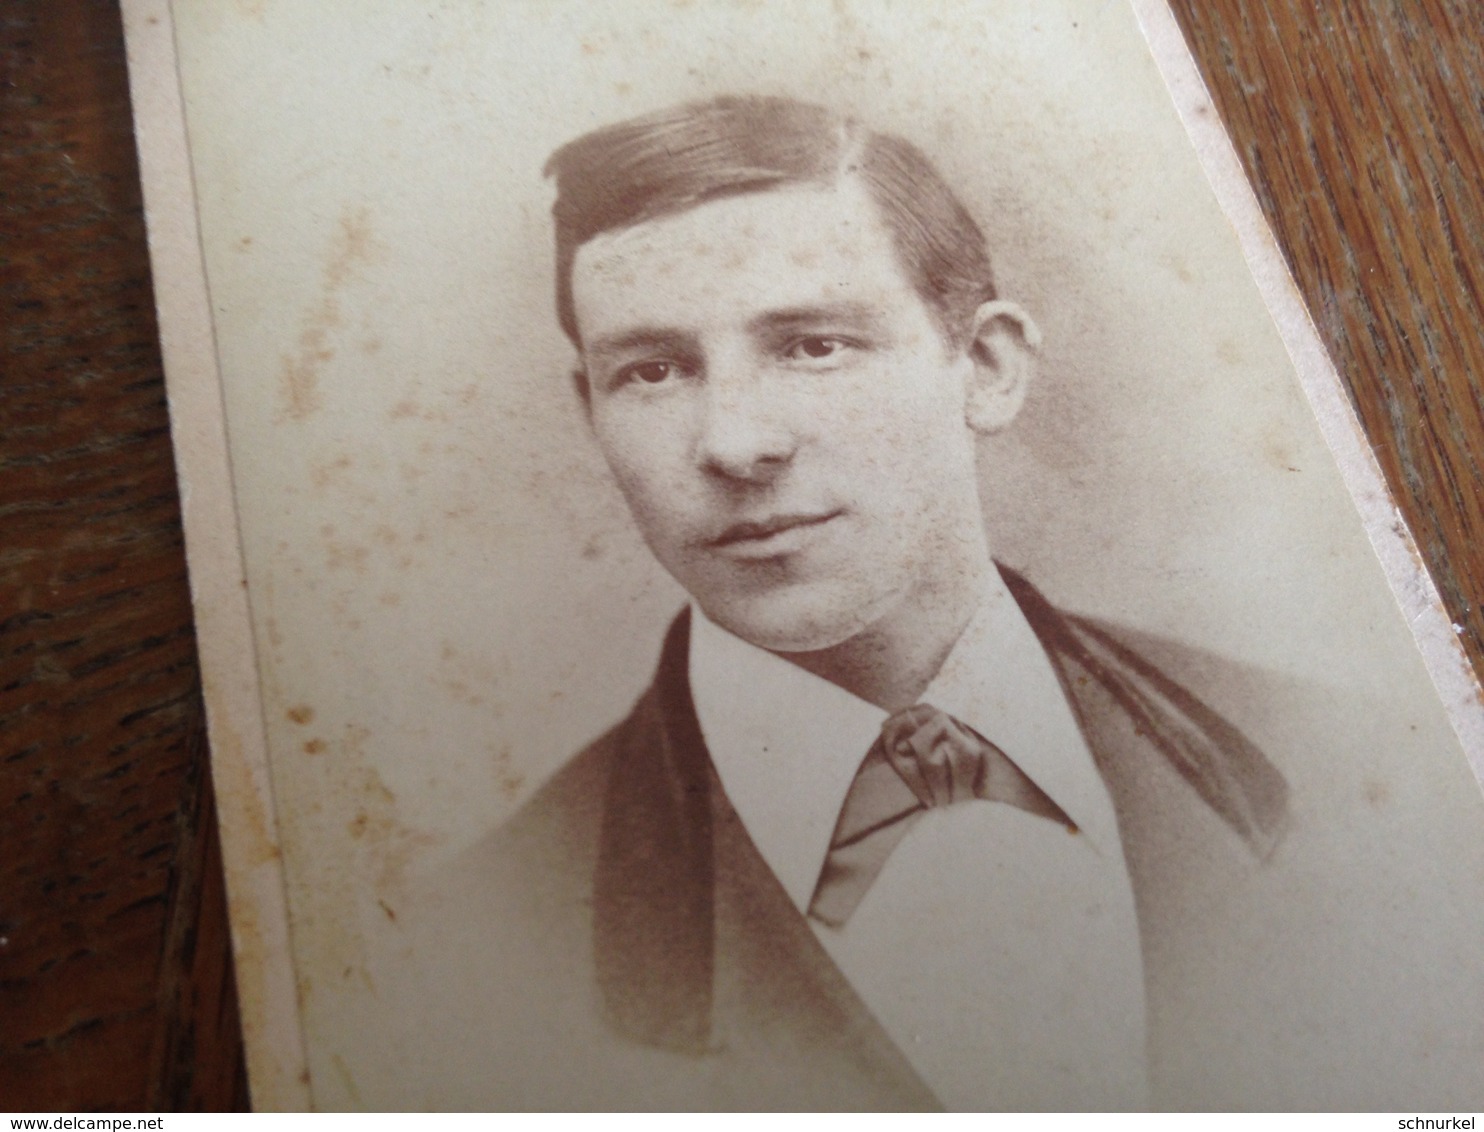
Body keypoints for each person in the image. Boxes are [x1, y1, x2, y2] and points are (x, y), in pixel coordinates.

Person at [386, 95, 1482, 1110]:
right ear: (591, 415)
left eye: (812, 345)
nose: (731, 441)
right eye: (653, 372)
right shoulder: (462, 952)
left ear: (987, 368)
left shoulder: (1375, 775)